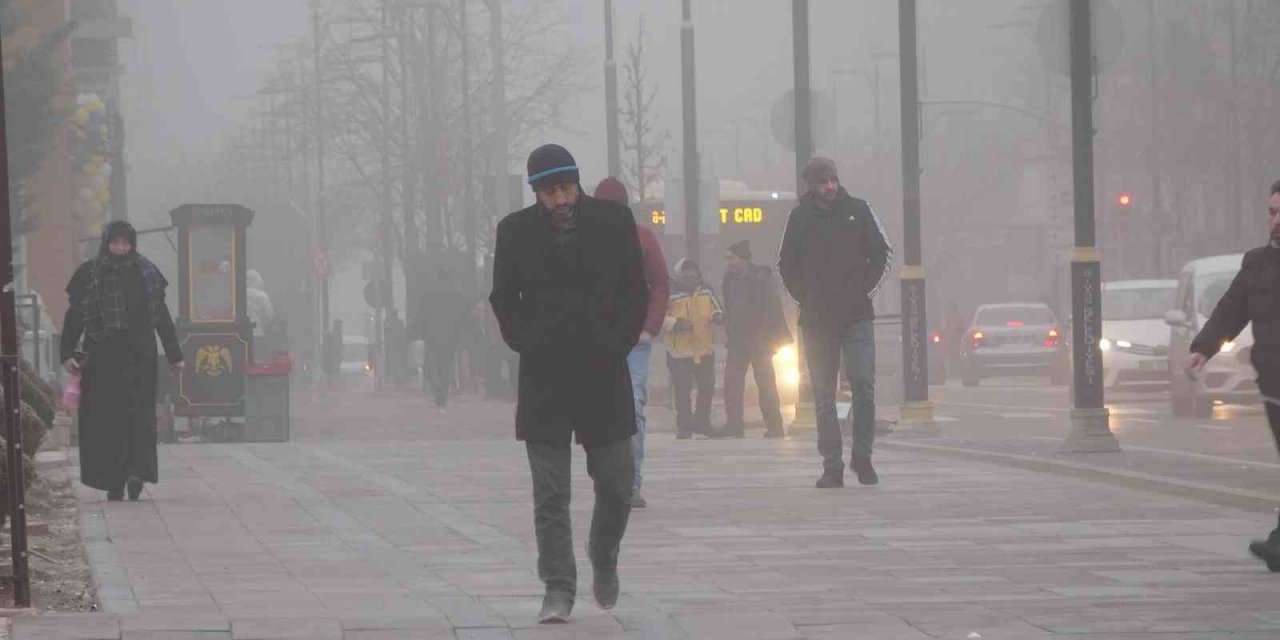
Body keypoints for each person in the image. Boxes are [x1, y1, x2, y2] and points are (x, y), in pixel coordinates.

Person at [489, 144, 648, 623]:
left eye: (565, 189)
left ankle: (603, 551)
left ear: (578, 184)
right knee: (552, 494)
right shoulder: (514, 232)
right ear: (535, 193)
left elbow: (634, 289)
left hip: (603, 371)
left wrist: (617, 341)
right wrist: (527, 341)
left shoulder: (614, 222)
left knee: (618, 483)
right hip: (545, 376)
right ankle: (558, 587)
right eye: (548, 192)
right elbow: (503, 297)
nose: (559, 200)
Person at [1183, 179, 1280, 573]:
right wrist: (1202, 348)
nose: (1275, 220)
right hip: (1274, 383)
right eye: (1272, 212)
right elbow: (1232, 308)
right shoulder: (1257, 262)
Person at [779, 157, 892, 489]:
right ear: (812, 186)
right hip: (816, 321)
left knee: (863, 386)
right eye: (823, 182)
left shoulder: (859, 210)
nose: (830, 187)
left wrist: (864, 291)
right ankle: (832, 465)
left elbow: (882, 253)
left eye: (833, 180)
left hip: (856, 316)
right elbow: (785, 263)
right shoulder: (799, 218)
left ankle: (863, 456)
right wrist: (806, 298)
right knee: (824, 396)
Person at [60, 221, 184, 502]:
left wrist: (174, 355)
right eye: (115, 243)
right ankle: (111, 480)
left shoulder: (146, 272)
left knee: (138, 417)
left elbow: (161, 317)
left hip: (139, 355)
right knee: (105, 419)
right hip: (102, 356)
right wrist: (66, 352)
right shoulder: (90, 274)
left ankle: (136, 473)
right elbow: (75, 315)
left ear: (132, 244)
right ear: (107, 243)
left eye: (125, 243)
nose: (120, 248)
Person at [594, 177, 669, 509]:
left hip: (635, 340)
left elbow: (661, 284)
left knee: (633, 408)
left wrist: (649, 327)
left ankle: (631, 482)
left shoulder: (643, 237)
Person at [721, 239, 792, 439]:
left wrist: (767, 337)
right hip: (737, 339)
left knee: (766, 384)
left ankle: (775, 426)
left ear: (743, 259)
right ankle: (734, 426)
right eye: (727, 258)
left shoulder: (761, 278)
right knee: (732, 383)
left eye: (732, 258)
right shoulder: (729, 279)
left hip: (760, 340)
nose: (729, 262)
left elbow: (772, 309)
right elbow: (730, 307)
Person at [663, 258, 724, 439]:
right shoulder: (669, 293)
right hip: (679, 351)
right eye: (687, 276)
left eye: (694, 276)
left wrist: (718, 316)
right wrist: (675, 324)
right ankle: (684, 426)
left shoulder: (706, 290)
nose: (691, 279)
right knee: (682, 392)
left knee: (706, 389)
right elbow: (659, 315)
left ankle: (702, 423)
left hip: (703, 348)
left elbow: (716, 307)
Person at [415, 269, 468, 410]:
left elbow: (420, 317)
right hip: (451, 338)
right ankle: (441, 399)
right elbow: (464, 317)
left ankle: (437, 387)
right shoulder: (457, 295)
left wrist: (418, 334)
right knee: (445, 368)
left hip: (432, 337)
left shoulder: (427, 295)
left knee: (429, 366)